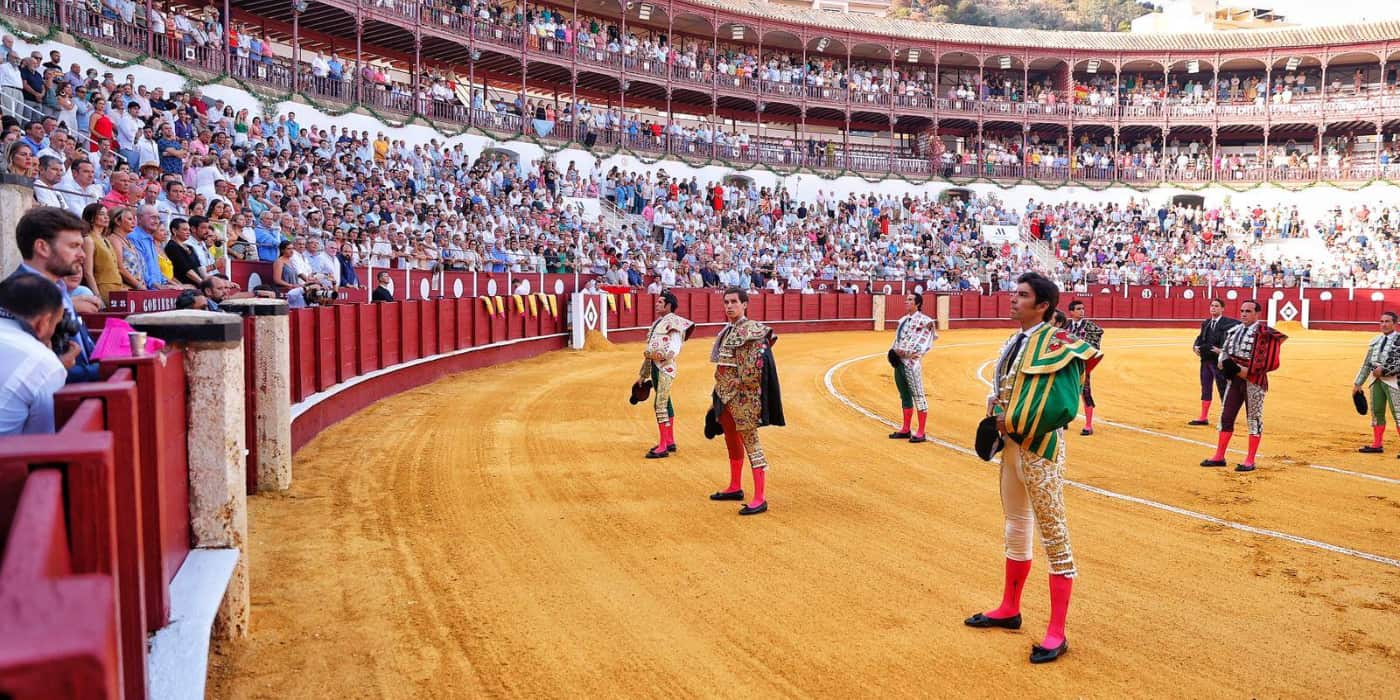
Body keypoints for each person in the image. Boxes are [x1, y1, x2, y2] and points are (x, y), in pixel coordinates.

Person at [965, 272, 1100, 665]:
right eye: (1014, 293)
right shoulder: (1014, 341)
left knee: (1054, 535)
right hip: (1010, 447)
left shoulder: (1059, 344)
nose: (1013, 299)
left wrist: (1015, 421)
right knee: (1016, 526)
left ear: (1043, 305)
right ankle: (1010, 607)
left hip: (1040, 447)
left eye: (1022, 295)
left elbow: (1064, 406)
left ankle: (1057, 631)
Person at [705, 287, 783, 516]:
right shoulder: (728, 331)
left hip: (743, 396)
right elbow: (723, 368)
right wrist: (716, 396)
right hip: (724, 394)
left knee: (752, 443)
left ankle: (760, 497)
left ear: (745, 304)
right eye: (726, 302)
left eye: (734, 302)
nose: (729, 306)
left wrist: (742, 391)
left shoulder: (752, 330)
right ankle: (735, 486)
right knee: (731, 439)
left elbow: (754, 369)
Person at [5, 206, 98, 382]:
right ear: (42, 247)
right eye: (73, 246)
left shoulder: (58, 287)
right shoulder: (21, 298)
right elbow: (38, 374)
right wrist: (109, 370)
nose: (82, 255)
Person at [1200, 300, 1287, 472]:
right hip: (1234, 380)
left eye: (1248, 311)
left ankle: (1250, 459)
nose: (1244, 314)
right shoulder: (1235, 330)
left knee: (1253, 419)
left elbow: (1268, 364)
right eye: (1242, 310)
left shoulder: (1264, 334)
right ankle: (1219, 456)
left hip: (1254, 382)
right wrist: (1223, 364)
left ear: (1257, 314)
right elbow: (1224, 352)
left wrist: (1237, 369)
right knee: (1226, 416)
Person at [0, 274, 72, 435]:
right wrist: (56, 365)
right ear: (43, 323)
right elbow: (41, 442)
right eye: (55, 323)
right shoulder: (45, 363)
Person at [638, 290, 694, 458]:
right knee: (666, 402)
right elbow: (651, 350)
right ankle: (669, 441)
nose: (657, 304)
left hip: (665, 367)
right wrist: (643, 374)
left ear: (669, 305)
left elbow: (673, 350)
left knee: (660, 404)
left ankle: (662, 446)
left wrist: (654, 355)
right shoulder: (657, 323)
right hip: (655, 367)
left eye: (660, 302)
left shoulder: (675, 323)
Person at [887, 292, 937, 443]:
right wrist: (893, 352)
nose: (906, 302)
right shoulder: (902, 321)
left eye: (910, 300)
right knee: (905, 395)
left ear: (918, 304)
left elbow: (926, 341)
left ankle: (921, 431)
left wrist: (909, 353)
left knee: (918, 395)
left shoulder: (926, 321)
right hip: (899, 362)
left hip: (911, 363)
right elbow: (897, 340)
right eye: (906, 299)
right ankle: (906, 429)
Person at [1354, 311, 1400, 453]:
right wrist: (1358, 383)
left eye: (1387, 321)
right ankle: (1377, 444)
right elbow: (1367, 364)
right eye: (1381, 321)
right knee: (1377, 412)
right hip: (1376, 381)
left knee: (1398, 413)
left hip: (1395, 381)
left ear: (1395, 323)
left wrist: (1384, 370)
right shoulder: (1375, 341)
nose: (1384, 324)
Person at [1190, 299, 1240, 426]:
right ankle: (1203, 417)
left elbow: (1236, 336)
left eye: (1216, 306)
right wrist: (1195, 346)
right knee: (1206, 388)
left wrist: (1223, 351)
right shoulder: (1206, 323)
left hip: (1219, 362)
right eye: (1212, 306)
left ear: (1222, 309)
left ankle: (1226, 418)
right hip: (1206, 360)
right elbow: (1200, 337)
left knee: (1223, 388)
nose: (1213, 308)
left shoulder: (1229, 323)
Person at [1064, 301, 1104, 436]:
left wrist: (1087, 348)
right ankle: (1064, 420)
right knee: (1064, 391)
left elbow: (1099, 333)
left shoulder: (1089, 326)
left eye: (1083, 308)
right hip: (1066, 364)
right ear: (1071, 312)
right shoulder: (1066, 325)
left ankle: (1088, 425)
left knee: (1085, 392)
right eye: (1078, 309)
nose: (1082, 311)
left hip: (1081, 365)